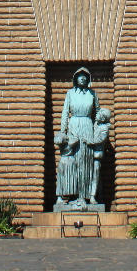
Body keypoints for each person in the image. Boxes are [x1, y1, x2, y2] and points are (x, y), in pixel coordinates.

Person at [54, 67, 98, 208]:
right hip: (73, 127)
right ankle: (70, 194)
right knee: (71, 162)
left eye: (85, 76)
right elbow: (65, 113)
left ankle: (84, 195)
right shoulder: (70, 93)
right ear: (75, 78)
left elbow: (97, 114)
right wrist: (63, 132)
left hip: (87, 127)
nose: (83, 78)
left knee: (86, 161)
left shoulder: (92, 94)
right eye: (80, 76)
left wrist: (96, 132)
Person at [88, 107, 112, 205]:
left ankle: (93, 196)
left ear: (102, 118)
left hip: (97, 155)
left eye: (98, 114)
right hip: (91, 155)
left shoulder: (104, 128)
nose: (96, 115)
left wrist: (90, 141)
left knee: (96, 176)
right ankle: (99, 195)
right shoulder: (96, 124)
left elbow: (100, 140)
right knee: (96, 177)